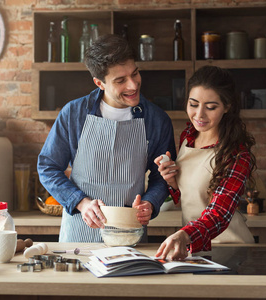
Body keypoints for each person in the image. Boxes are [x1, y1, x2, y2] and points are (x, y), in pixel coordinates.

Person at [38, 34, 176, 243]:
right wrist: (81, 203)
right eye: (120, 80)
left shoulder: (156, 120)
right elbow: (48, 167)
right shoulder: (73, 114)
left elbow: (161, 178)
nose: (133, 85)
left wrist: (151, 203)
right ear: (99, 83)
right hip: (79, 235)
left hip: (131, 235)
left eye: (135, 73)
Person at [154, 65, 256, 260]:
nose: (199, 114)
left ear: (227, 107)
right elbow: (187, 197)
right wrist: (172, 181)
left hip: (230, 249)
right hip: (195, 249)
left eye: (210, 107)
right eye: (193, 104)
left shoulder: (236, 154)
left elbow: (219, 213)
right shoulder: (188, 137)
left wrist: (185, 234)